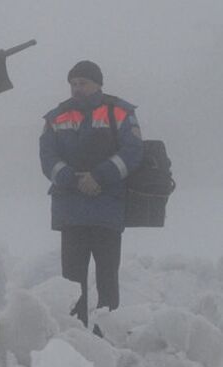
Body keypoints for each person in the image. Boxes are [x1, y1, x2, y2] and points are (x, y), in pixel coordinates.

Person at [39, 60, 144, 329]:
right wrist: (73, 179)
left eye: (82, 83)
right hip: (71, 211)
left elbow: (132, 152)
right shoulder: (55, 116)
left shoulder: (119, 111)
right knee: (71, 283)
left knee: (107, 278)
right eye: (73, 84)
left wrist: (99, 176)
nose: (76, 88)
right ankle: (77, 337)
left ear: (98, 84)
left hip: (106, 209)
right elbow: (47, 158)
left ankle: (108, 336)